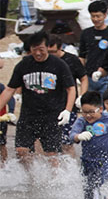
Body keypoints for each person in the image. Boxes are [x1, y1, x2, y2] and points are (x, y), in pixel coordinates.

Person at [0, 30, 76, 170]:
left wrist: (67, 110)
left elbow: (71, 88)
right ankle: (33, 176)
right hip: (29, 114)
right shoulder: (24, 65)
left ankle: (54, 180)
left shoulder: (59, 65)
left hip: (52, 115)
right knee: (21, 151)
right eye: (34, 50)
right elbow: (10, 89)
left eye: (41, 49)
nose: (38, 53)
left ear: (47, 47)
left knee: (51, 153)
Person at [47, 35, 88, 156]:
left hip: (68, 106)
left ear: (60, 48)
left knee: (66, 142)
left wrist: (82, 96)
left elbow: (84, 78)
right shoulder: (43, 60)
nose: (51, 54)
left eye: (54, 51)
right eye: (48, 52)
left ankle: (71, 169)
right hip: (48, 106)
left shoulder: (72, 60)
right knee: (45, 141)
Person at [79, 0, 108, 93]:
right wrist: (80, 73)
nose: (95, 19)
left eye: (98, 16)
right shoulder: (86, 33)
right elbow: (82, 56)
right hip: (89, 76)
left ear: (104, 15)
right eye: (93, 16)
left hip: (106, 76)